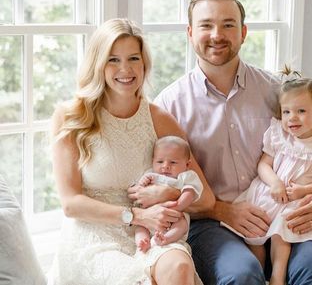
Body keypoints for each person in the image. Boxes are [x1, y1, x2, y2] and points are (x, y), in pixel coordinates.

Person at [151, 0, 312, 284]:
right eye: (206, 25)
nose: (217, 34)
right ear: (190, 33)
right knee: (241, 275)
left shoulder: (278, 91)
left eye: (228, 24)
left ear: (243, 32)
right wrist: (222, 210)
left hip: (283, 213)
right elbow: (163, 183)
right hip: (213, 226)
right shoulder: (168, 105)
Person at [50, 18, 214, 285]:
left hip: (153, 230)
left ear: (144, 64)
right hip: (96, 234)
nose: (125, 69)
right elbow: (70, 204)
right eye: (113, 60)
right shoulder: (71, 117)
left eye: (133, 58)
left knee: (179, 267)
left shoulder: (160, 119)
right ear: (98, 64)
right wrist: (137, 215)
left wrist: (170, 193)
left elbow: (206, 199)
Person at [221, 67, 312, 285]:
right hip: (272, 193)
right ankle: (259, 268)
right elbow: (264, 164)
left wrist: (303, 190)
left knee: (283, 230)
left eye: (301, 111)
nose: (292, 118)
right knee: (254, 231)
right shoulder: (279, 135)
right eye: (286, 112)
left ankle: (277, 277)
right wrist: (275, 183)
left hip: (298, 199)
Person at [134, 135, 203, 252]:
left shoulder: (186, 176)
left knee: (182, 224)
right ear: (153, 161)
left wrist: (177, 206)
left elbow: (190, 192)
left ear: (187, 164)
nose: (165, 166)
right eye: (160, 161)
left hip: (174, 215)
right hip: (149, 215)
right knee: (140, 227)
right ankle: (143, 242)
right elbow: (139, 191)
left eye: (173, 162)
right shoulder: (151, 174)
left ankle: (165, 239)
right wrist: (142, 183)